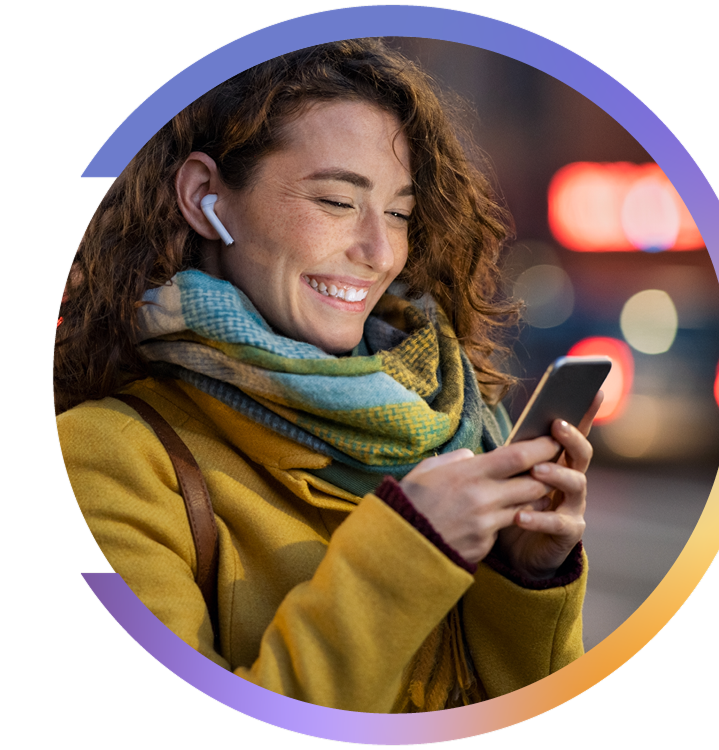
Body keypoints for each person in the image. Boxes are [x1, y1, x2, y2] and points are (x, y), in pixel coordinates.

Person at [56, 38, 601, 713]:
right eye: (339, 202)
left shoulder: (457, 423)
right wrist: (407, 551)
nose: (379, 252)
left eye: (399, 213)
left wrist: (521, 573)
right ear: (206, 199)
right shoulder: (111, 455)